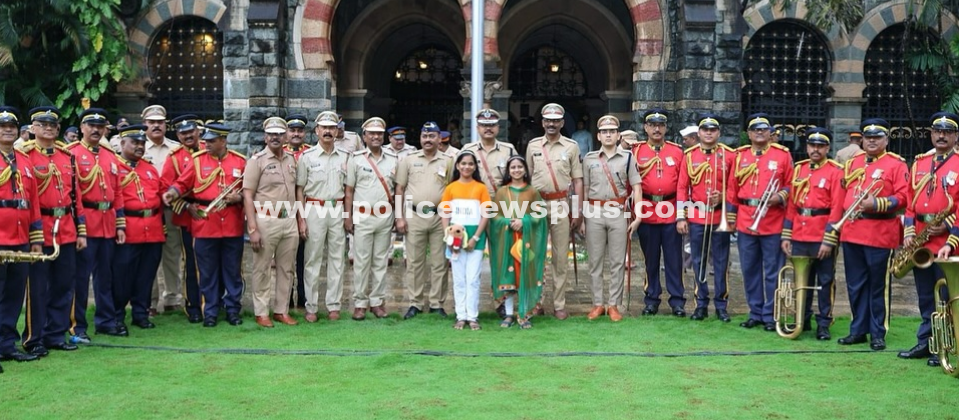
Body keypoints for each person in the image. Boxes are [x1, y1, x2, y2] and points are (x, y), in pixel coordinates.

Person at [834, 118, 908, 351]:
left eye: (877, 137)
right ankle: (858, 330)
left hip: (880, 232)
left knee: (878, 286)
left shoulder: (896, 164)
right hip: (852, 230)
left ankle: (878, 332)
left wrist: (876, 203)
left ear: (886, 139)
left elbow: (903, 198)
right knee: (855, 285)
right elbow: (841, 194)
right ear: (862, 139)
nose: (872, 141)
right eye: (868, 137)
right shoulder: (853, 162)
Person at [163, 123, 245, 328]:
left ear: (223, 141)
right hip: (205, 223)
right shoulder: (197, 161)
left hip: (232, 222)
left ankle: (233, 309)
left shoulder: (240, 161)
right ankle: (210, 311)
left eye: (211, 141)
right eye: (205, 140)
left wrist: (240, 196)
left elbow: (251, 190)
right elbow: (182, 183)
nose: (206, 144)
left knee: (232, 271)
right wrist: (172, 193)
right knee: (207, 272)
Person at [18, 105, 85, 353]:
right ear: (33, 128)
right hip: (40, 229)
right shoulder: (24, 156)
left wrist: (81, 231)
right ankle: (34, 338)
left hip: (66, 227)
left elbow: (75, 197)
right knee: (37, 288)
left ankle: (56, 335)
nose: (48, 128)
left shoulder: (67, 156)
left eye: (52, 125)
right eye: (42, 124)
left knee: (64, 285)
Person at [899, 112, 959, 367]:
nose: (941, 136)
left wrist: (947, 233)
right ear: (932, 134)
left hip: (946, 243)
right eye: (937, 131)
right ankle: (926, 341)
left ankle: (946, 345)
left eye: (947, 132)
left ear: (955, 136)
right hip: (921, 242)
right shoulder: (920, 163)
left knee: (945, 295)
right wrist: (910, 233)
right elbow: (910, 203)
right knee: (925, 295)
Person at [730, 113, 794, 331]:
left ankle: (770, 314)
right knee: (749, 270)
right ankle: (755, 312)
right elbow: (732, 189)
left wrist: (781, 197)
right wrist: (731, 218)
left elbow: (790, 185)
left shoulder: (783, 155)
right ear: (748, 134)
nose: (759, 132)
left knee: (773, 271)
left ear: (770, 133)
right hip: (747, 218)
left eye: (764, 129)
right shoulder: (740, 156)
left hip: (773, 220)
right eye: (755, 129)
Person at [780, 127, 844, 340]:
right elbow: (791, 205)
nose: (815, 150)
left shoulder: (835, 171)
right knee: (801, 279)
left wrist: (828, 239)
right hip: (799, 233)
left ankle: (824, 323)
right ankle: (802, 318)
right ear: (807, 147)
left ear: (827, 148)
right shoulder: (799, 169)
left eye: (820, 146)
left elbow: (837, 208)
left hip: (821, 235)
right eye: (812, 145)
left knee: (825, 281)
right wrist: (786, 235)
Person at [68, 108, 125, 338]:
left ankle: (105, 321)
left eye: (100, 126)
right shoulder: (71, 153)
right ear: (81, 128)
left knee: (105, 277)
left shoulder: (109, 154)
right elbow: (75, 194)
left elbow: (117, 191)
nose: (95, 130)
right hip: (86, 223)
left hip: (107, 223)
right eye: (91, 125)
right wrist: (80, 227)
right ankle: (77, 326)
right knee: (80, 279)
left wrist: (120, 224)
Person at [581, 116, 642, 321]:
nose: (608, 134)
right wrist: (581, 217)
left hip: (618, 211)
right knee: (595, 261)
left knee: (617, 261)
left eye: (612, 131)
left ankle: (613, 304)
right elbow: (585, 189)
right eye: (604, 131)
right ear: (598, 136)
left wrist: (638, 215)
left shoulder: (627, 157)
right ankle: (597, 303)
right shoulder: (589, 158)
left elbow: (636, 187)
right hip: (594, 212)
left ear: (618, 135)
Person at [525, 103, 583, 320]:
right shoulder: (532, 146)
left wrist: (577, 211)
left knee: (560, 257)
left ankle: (559, 304)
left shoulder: (571, 146)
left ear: (562, 123)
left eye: (556, 120)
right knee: (535, 255)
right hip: (538, 204)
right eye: (548, 120)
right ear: (542, 122)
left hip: (561, 204)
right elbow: (527, 180)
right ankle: (536, 302)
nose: (551, 124)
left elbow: (578, 181)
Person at [676, 113, 736, 322]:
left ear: (718, 132)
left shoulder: (729, 155)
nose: (709, 133)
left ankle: (721, 304)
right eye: (705, 130)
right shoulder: (690, 155)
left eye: (713, 130)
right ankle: (700, 303)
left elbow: (736, 188)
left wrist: (723, 197)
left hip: (720, 216)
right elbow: (682, 188)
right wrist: (681, 217)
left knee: (721, 261)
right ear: (699, 132)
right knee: (698, 261)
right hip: (696, 216)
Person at [243, 117, 299, 328]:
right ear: (265, 136)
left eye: (279, 134)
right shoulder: (256, 161)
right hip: (266, 220)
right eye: (271, 134)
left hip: (289, 219)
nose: (275, 137)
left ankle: (281, 310)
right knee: (262, 268)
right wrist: (252, 228)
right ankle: (261, 311)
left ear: (285, 136)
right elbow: (248, 195)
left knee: (287, 268)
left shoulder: (292, 159)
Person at [296, 111, 350, 322]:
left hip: (337, 208)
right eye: (324, 128)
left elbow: (348, 190)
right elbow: (299, 189)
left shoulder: (346, 157)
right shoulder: (307, 157)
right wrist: (301, 218)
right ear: (316, 131)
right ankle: (311, 306)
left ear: (337, 130)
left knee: (337, 259)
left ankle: (334, 305)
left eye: (332, 127)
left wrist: (348, 215)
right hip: (314, 208)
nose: (328, 131)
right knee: (312, 260)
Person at [395, 122, 453, 320]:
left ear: (439, 138)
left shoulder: (448, 161)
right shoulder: (409, 160)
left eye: (432, 136)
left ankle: (437, 303)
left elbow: (453, 189)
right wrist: (399, 216)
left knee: (440, 262)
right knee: (414, 262)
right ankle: (415, 303)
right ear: (420, 138)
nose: (428, 140)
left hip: (440, 217)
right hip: (414, 215)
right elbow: (399, 189)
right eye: (425, 136)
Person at [0, 106, 43, 365]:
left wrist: (36, 239)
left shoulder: (25, 161)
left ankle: (7, 344)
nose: (7, 130)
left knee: (14, 294)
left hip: (21, 240)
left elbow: (34, 202)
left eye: (12, 127)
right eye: (3, 127)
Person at [632, 109, 686, 317]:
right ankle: (651, 298)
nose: (657, 129)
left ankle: (677, 301)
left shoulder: (676, 152)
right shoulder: (636, 151)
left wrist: (682, 214)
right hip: (647, 210)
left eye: (660, 125)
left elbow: (683, 186)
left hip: (671, 210)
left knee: (674, 259)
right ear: (645, 127)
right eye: (652, 125)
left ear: (665, 128)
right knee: (650, 259)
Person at [112, 125, 165, 332]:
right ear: (122, 143)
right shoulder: (115, 167)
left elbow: (160, 196)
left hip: (152, 230)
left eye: (142, 143)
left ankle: (140, 314)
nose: (139, 147)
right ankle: (117, 316)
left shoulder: (149, 168)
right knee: (123, 276)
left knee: (146, 276)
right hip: (128, 229)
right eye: (134, 142)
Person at [345, 117, 397, 320]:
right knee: (361, 261)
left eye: (379, 133)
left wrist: (398, 216)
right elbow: (349, 191)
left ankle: (377, 302)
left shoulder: (393, 159)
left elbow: (398, 191)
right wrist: (347, 217)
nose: (376, 137)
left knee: (380, 261)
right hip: (362, 216)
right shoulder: (356, 159)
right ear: (364, 136)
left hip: (385, 216)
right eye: (371, 133)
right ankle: (359, 303)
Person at [489, 156, 547, 329]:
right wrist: (507, 222)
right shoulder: (501, 192)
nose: (516, 170)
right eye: (513, 167)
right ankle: (508, 314)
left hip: (525, 240)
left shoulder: (532, 192)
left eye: (519, 167)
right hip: (506, 241)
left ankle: (524, 314)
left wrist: (524, 222)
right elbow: (494, 216)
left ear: (525, 170)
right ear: (508, 170)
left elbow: (540, 214)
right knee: (509, 276)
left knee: (524, 276)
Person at [140, 105, 183, 316]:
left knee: (172, 253)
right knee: (148, 256)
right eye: (151, 122)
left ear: (166, 124)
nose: (156, 126)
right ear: (144, 124)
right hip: (146, 210)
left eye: (160, 122)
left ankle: (172, 298)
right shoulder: (137, 147)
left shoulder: (175, 148)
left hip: (169, 209)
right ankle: (149, 300)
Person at [440, 151, 490, 330]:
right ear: (458, 166)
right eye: (463, 163)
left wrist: (475, 237)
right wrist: (448, 236)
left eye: (470, 164)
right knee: (459, 278)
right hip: (455, 240)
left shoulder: (481, 188)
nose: (466, 167)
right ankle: (461, 315)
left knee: (473, 278)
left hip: (475, 237)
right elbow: (445, 213)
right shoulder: (451, 188)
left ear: (475, 167)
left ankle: (472, 316)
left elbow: (485, 214)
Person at [163, 114, 204, 323]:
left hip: (213, 214)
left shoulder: (209, 148)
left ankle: (214, 302)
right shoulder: (174, 157)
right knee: (191, 262)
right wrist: (187, 206)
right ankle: (193, 305)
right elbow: (166, 190)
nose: (188, 136)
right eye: (183, 133)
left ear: (198, 131)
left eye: (191, 131)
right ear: (177, 135)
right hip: (188, 217)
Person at [285, 114, 311, 311]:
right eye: (292, 130)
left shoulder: (310, 153)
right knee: (285, 260)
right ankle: (286, 299)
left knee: (304, 258)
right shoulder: (279, 153)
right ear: (287, 132)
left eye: (299, 130)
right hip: (284, 212)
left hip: (306, 211)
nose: (296, 134)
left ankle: (303, 297)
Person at [462, 109, 517, 198]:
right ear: (477, 128)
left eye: (492, 125)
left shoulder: (509, 150)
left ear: (498, 128)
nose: (488, 128)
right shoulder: (468, 150)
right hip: (474, 199)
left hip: (501, 200)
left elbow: (518, 175)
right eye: (484, 125)